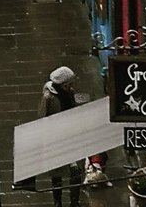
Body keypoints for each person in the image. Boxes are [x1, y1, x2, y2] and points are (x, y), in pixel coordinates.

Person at [41, 66, 83, 206]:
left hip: (71, 136)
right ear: (63, 85)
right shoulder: (49, 98)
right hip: (55, 139)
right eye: (69, 84)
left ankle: (74, 201)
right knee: (57, 174)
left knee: (76, 171)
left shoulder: (69, 93)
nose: (72, 87)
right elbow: (42, 118)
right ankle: (57, 202)